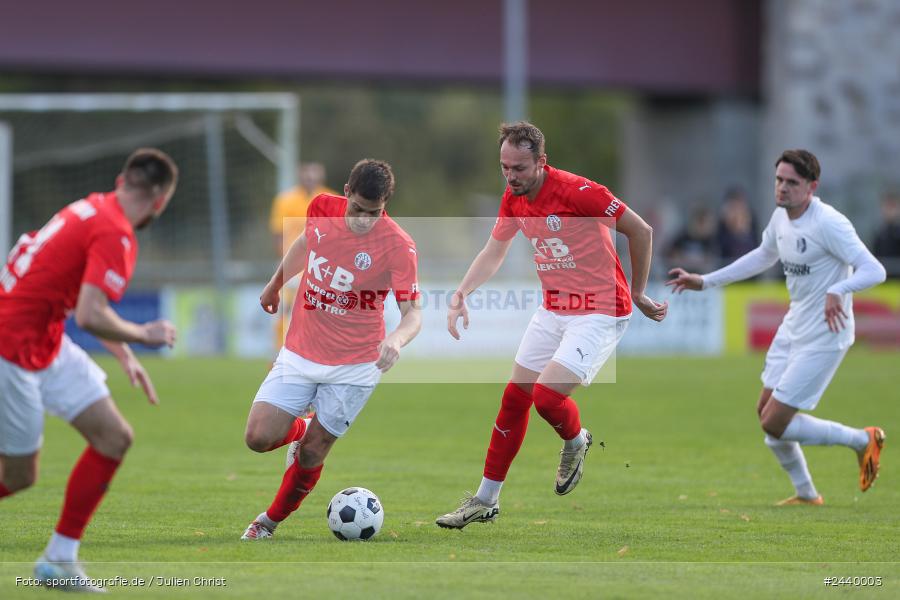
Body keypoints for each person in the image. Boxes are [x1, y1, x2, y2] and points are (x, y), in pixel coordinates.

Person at [435, 122, 667, 529]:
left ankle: (576, 440)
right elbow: (494, 251)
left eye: (519, 168)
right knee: (514, 399)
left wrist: (640, 291)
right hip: (553, 308)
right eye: (505, 167)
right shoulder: (512, 198)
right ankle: (485, 500)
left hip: (600, 310)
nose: (510, 176)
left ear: (542, 162)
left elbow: (640, 230)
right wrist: (461, 293)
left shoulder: (580, 192)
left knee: (546, 398)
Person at [0, 149, 178, 591]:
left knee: (114, 436)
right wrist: (143, 335)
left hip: (43, 338)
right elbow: (91, 314)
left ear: (123, 180)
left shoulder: (93, 206)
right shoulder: (116, 234)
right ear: (160, 197)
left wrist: (123, 355)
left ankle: (60, 559)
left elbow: (78, 298)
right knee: (20, 475)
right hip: (11, 346)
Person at [667, 149, 887, 505]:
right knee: (765, 413)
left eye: (792, 183)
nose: (782, 188)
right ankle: (806, 494)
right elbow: (763, 255)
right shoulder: (782, 218)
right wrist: (704, 281)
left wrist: (838, 288)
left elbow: (873, 269)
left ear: (812, 187)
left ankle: (863, 441)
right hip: (794, 325)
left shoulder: (829, 222)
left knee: (774, 422)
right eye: (779, 180)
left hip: (825, 334)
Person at [241, 159, 421, 540]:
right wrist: (276, 283)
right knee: (257, 438)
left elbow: (413, 314)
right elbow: (307, 242)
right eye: (356, 209)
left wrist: (396, 340)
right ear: (345, 193)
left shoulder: (398, 246)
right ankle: (303, 425)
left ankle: (267, 523)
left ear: (385, 205)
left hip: (356, 364)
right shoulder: (320, 207)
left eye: (373, 213)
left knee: (312, 452)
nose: (362, 220)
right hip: (301, 349)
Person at [269, 162, 336, 348]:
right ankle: (279, 354)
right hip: (291, 267)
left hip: (321, 268)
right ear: (300, 175)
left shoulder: (332, 199)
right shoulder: (285, 200)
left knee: (320, 314)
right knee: (283, 312)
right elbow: (277, 235)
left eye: (314, 175)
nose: (310, 179)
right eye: (307, 175)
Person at [717, 186, 759, 265]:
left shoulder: (750, 218)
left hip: (750, 266)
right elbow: (721, 247)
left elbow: (754, 245)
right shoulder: (722, 222)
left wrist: (743, 227)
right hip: (727, 264)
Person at [872, 192, 900, 278]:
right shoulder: (879, 233)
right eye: (887, 207)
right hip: (883, 281)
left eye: (892, 207)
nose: (889, 211)